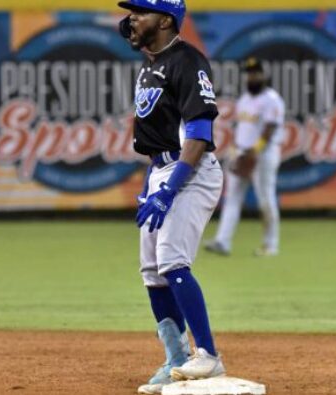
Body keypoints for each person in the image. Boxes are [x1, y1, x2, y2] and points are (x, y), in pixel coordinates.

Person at [117, 1, 226, 393]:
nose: (131, 18)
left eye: (140, 12)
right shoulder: (150, 63)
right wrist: (152, 185)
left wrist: (170, 189)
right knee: (152, 272)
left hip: (191, 171)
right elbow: (159, 139)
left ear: (165, 20)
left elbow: (197, 134)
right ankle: (177, 360)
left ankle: (209, 356)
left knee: (173, 261)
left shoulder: (187, 61)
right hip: (161, 169)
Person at [204, 58, 285, 257]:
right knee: (232, 198)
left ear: (264, 75)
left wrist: (255, 150)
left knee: (266, 199)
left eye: (256, 72)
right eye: (249, 73)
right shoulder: (245, 100)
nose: (252, 76)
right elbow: (242, 128)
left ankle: (271, 244)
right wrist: (235, 148)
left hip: (264, 154)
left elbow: (270, 128)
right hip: (242, 152)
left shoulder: (271, 99)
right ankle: (223, 242)